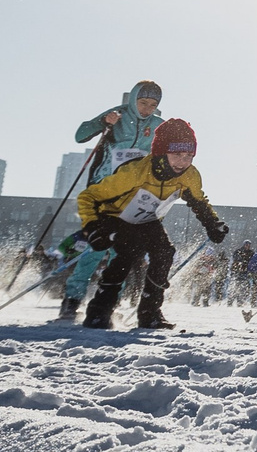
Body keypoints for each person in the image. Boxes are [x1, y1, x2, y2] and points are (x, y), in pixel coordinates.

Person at [75, 116, 227, 330]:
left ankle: (150, 313)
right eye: (177, 155)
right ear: (162, 152)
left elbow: (199, 202)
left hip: (147, 219)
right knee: (127, 255)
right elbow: (88, 197)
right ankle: (99, 312)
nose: (182, 162)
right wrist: (93, 227)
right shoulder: (136, 172)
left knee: (165, 253)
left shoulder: (190, 175)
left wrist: (212, 223)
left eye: (188, 156)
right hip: (116, 216)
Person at [61, 80, 167, 321]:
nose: (147, 109)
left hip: (133, 195)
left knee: (124, 252)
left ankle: (110, 300)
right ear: (133, 100)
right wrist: (103, 122)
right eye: (143, 103)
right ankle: (72, 299)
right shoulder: (118, 114)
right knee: (95, 247)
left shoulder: (158, 126)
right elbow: (80, 135)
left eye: (152, 105)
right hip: (105, 190)